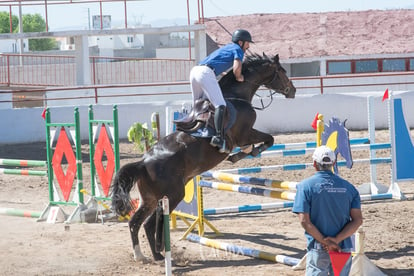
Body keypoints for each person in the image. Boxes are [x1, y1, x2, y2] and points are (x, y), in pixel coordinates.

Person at [292, 145, 363, 275]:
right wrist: (336, 239)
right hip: (344, 245)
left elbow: (304, 221)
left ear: (314, 163)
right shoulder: (350, 188)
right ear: (334, 163)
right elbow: (357, 220)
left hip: (318, 246)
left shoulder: (305, 186)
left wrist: (324, 241)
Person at [189, 29, 253, 153]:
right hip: (205, 73)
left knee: (198, 105)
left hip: (195, 71)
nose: (248, 46)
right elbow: (236, 70)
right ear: (240, 42)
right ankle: (218, 138)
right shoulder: (238, 50)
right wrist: (240, 77)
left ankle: (193, 131)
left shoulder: (228, 47)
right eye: (247, 43)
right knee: (220, 105)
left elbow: (217, 64)